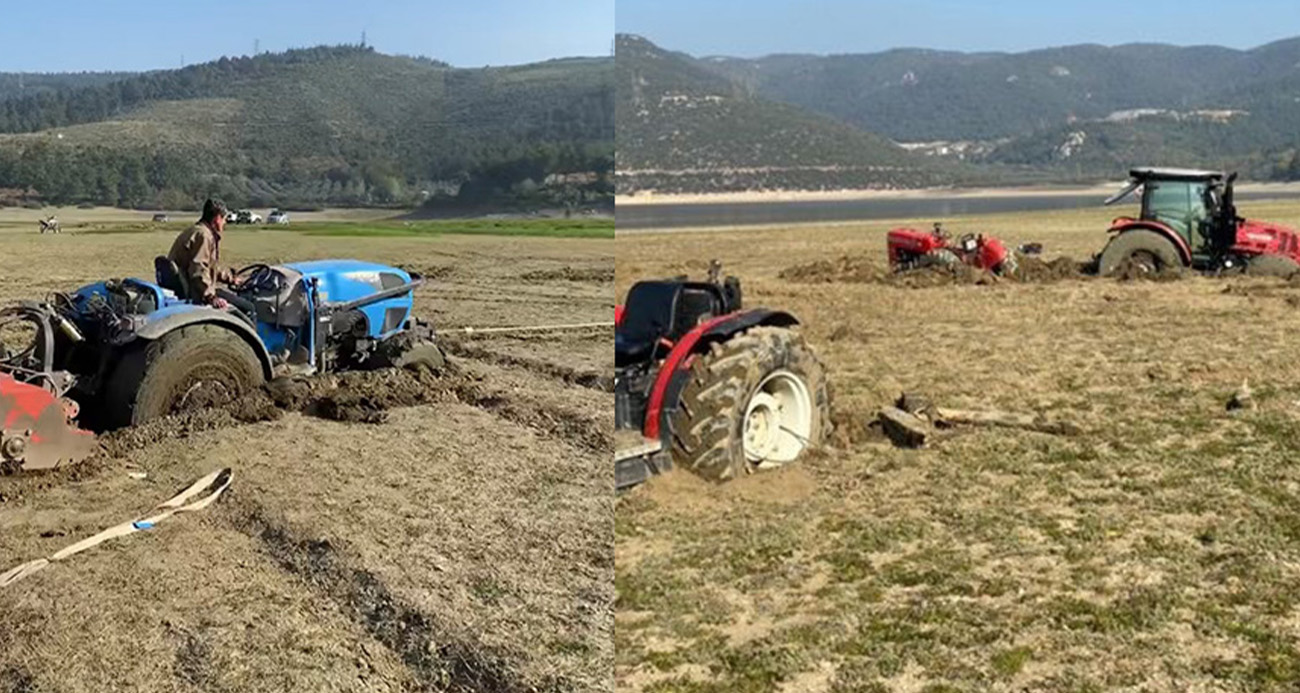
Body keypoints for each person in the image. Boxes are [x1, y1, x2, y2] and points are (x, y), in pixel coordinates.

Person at [167, 199, 255, 316]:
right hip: (197, 292)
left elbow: (210, 267)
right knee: (249, 308)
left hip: (191, 287)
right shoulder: (204, 236)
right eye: (224, 219)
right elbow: (199, 269)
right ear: (217, 218)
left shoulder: (195, 230)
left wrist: (231, 279)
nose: (225, 223)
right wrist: (211, 297)